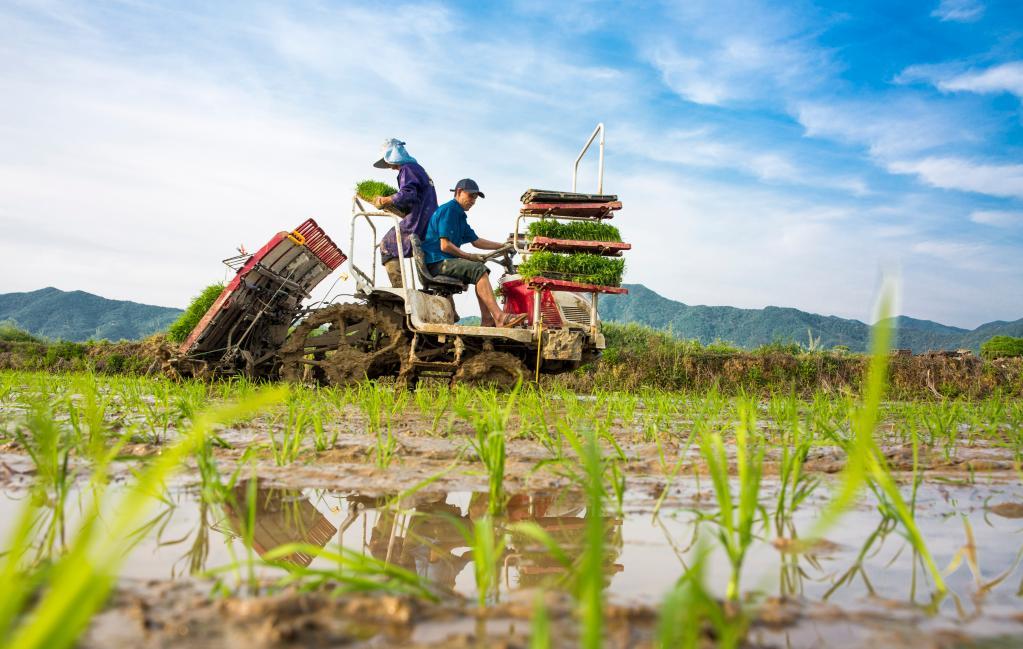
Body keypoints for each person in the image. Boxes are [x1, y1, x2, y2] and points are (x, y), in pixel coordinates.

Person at [421, 179, 527, 328]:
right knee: (478, 269)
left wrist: (503, 246)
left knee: (478, 269)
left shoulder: (459, 215)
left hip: (444, 261)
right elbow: (445, 246)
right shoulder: (449, 210)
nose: (473, 201)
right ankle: (499, 317)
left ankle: (487, 320)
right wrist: (470, 256)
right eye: (471, 196)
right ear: (458, 192)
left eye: (475, 198)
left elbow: (476, 241)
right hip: (437, 263)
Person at [372, 138, 438, 287]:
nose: (390, 167)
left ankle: (400, 290)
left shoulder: (407, 168)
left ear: (393, 155)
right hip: (429, 220)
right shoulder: (418, 168)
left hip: (419, 219)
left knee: (387, 246)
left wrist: (385, 200)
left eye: (388, 161)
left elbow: (408, 194)